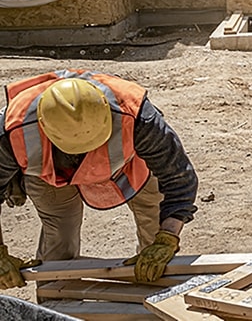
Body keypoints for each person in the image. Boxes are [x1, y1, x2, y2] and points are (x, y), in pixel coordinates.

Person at [0, 70, 199, 287]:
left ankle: (155, 290)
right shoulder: (13, 129)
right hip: (50, 174)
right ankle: (56, 295)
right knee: (58, 234)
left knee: (154, 224)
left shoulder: (136, 115)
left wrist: (167, 238)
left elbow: (178, 178)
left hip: (129, 165)